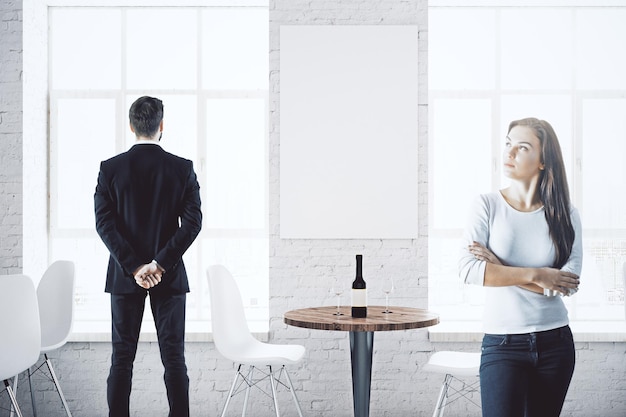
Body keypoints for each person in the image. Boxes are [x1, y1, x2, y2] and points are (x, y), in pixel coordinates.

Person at [459, 117, 582, 417]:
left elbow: (566, 285)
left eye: (522, 147)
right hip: (502, 344)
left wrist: (499, 267)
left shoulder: (566, 214)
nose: (510, 153)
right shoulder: (486, 205)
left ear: (542, 161)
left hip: (556, 343)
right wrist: (538, 274)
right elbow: (469, 270)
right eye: (508, 144)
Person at [94, 96, 202, 417]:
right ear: (161, 126)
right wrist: (160, 263)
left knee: (121, 359)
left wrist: (135, 266)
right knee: (174, 358)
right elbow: (193, 223)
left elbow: (104, 224)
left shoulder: (110, 169)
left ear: (131, 126)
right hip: (168, 278)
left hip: (125, 279)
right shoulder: (182, 169)